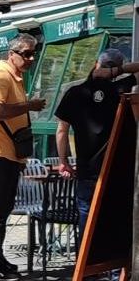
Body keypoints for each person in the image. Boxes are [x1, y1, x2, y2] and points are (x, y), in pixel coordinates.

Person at [0, 33, 47, 279]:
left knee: (3, 209)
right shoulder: (1, 76)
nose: (30, 59)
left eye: (33, 54)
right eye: (26, 54)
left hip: (9, 154)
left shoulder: (15, 78)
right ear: (13, 54)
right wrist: (28, 106)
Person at [54, 48, 139, 239]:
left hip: (87, 170)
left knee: (86, 215)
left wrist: (63, 161)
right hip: (115, 168)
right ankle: (114, 267)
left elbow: (61, 130)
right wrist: (118, 70)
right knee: (115, 218)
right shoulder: (120, 89)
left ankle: (85, 265)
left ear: (95, 65)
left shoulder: (75, 93)